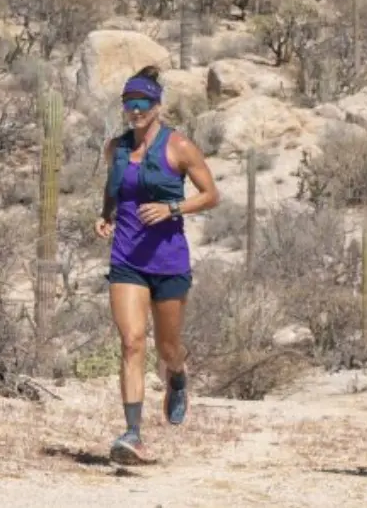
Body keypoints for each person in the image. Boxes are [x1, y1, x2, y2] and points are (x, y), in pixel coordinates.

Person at [94, 65, 220, 465]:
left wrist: (172, 208)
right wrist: (106, 215)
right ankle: (133, 433)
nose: (135, 110)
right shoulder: (115, 148)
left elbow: (211, 195)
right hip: (127, 258)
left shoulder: (179, 147)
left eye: (142, 103)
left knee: (167, 348)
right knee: (131, 342)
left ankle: (178, 376)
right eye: (129, 103)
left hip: (168, 261)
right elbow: (113, 189)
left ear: (157, 106)